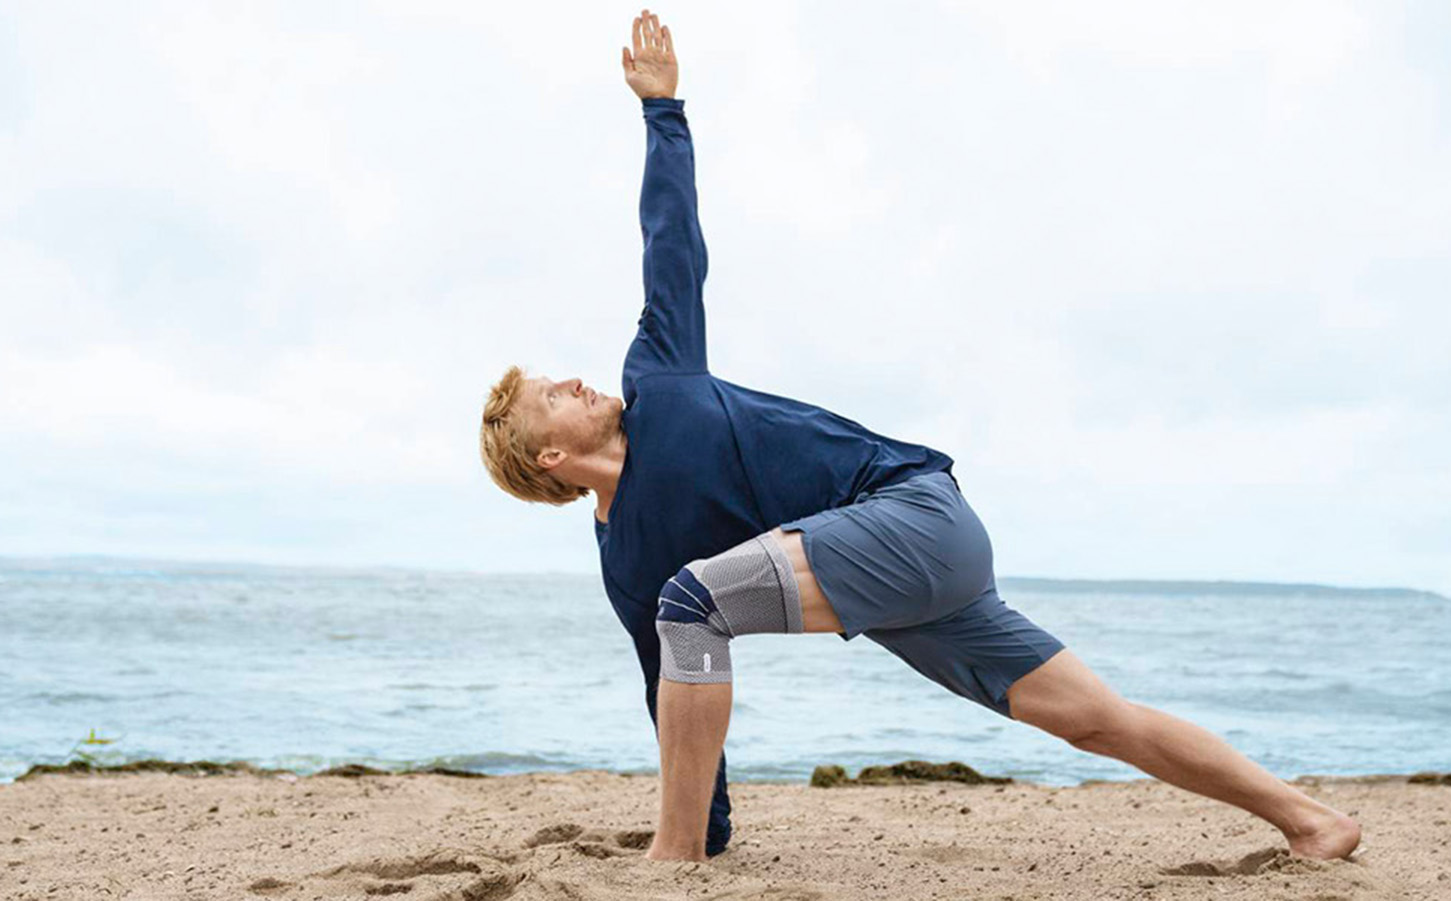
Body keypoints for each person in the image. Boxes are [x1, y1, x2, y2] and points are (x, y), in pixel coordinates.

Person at [479, 7, 1363, 865]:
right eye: (548, 395)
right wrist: (710, 819)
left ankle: (672, 862)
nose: (572, 379)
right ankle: (1312, 819)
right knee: (1099, 718)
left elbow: (671, 243)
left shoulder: (658, 376)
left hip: (910, 511)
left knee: (695, 600)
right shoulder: (625, 559)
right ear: (547, 458)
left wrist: (662, 110)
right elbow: (668, 681)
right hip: (906, 593)